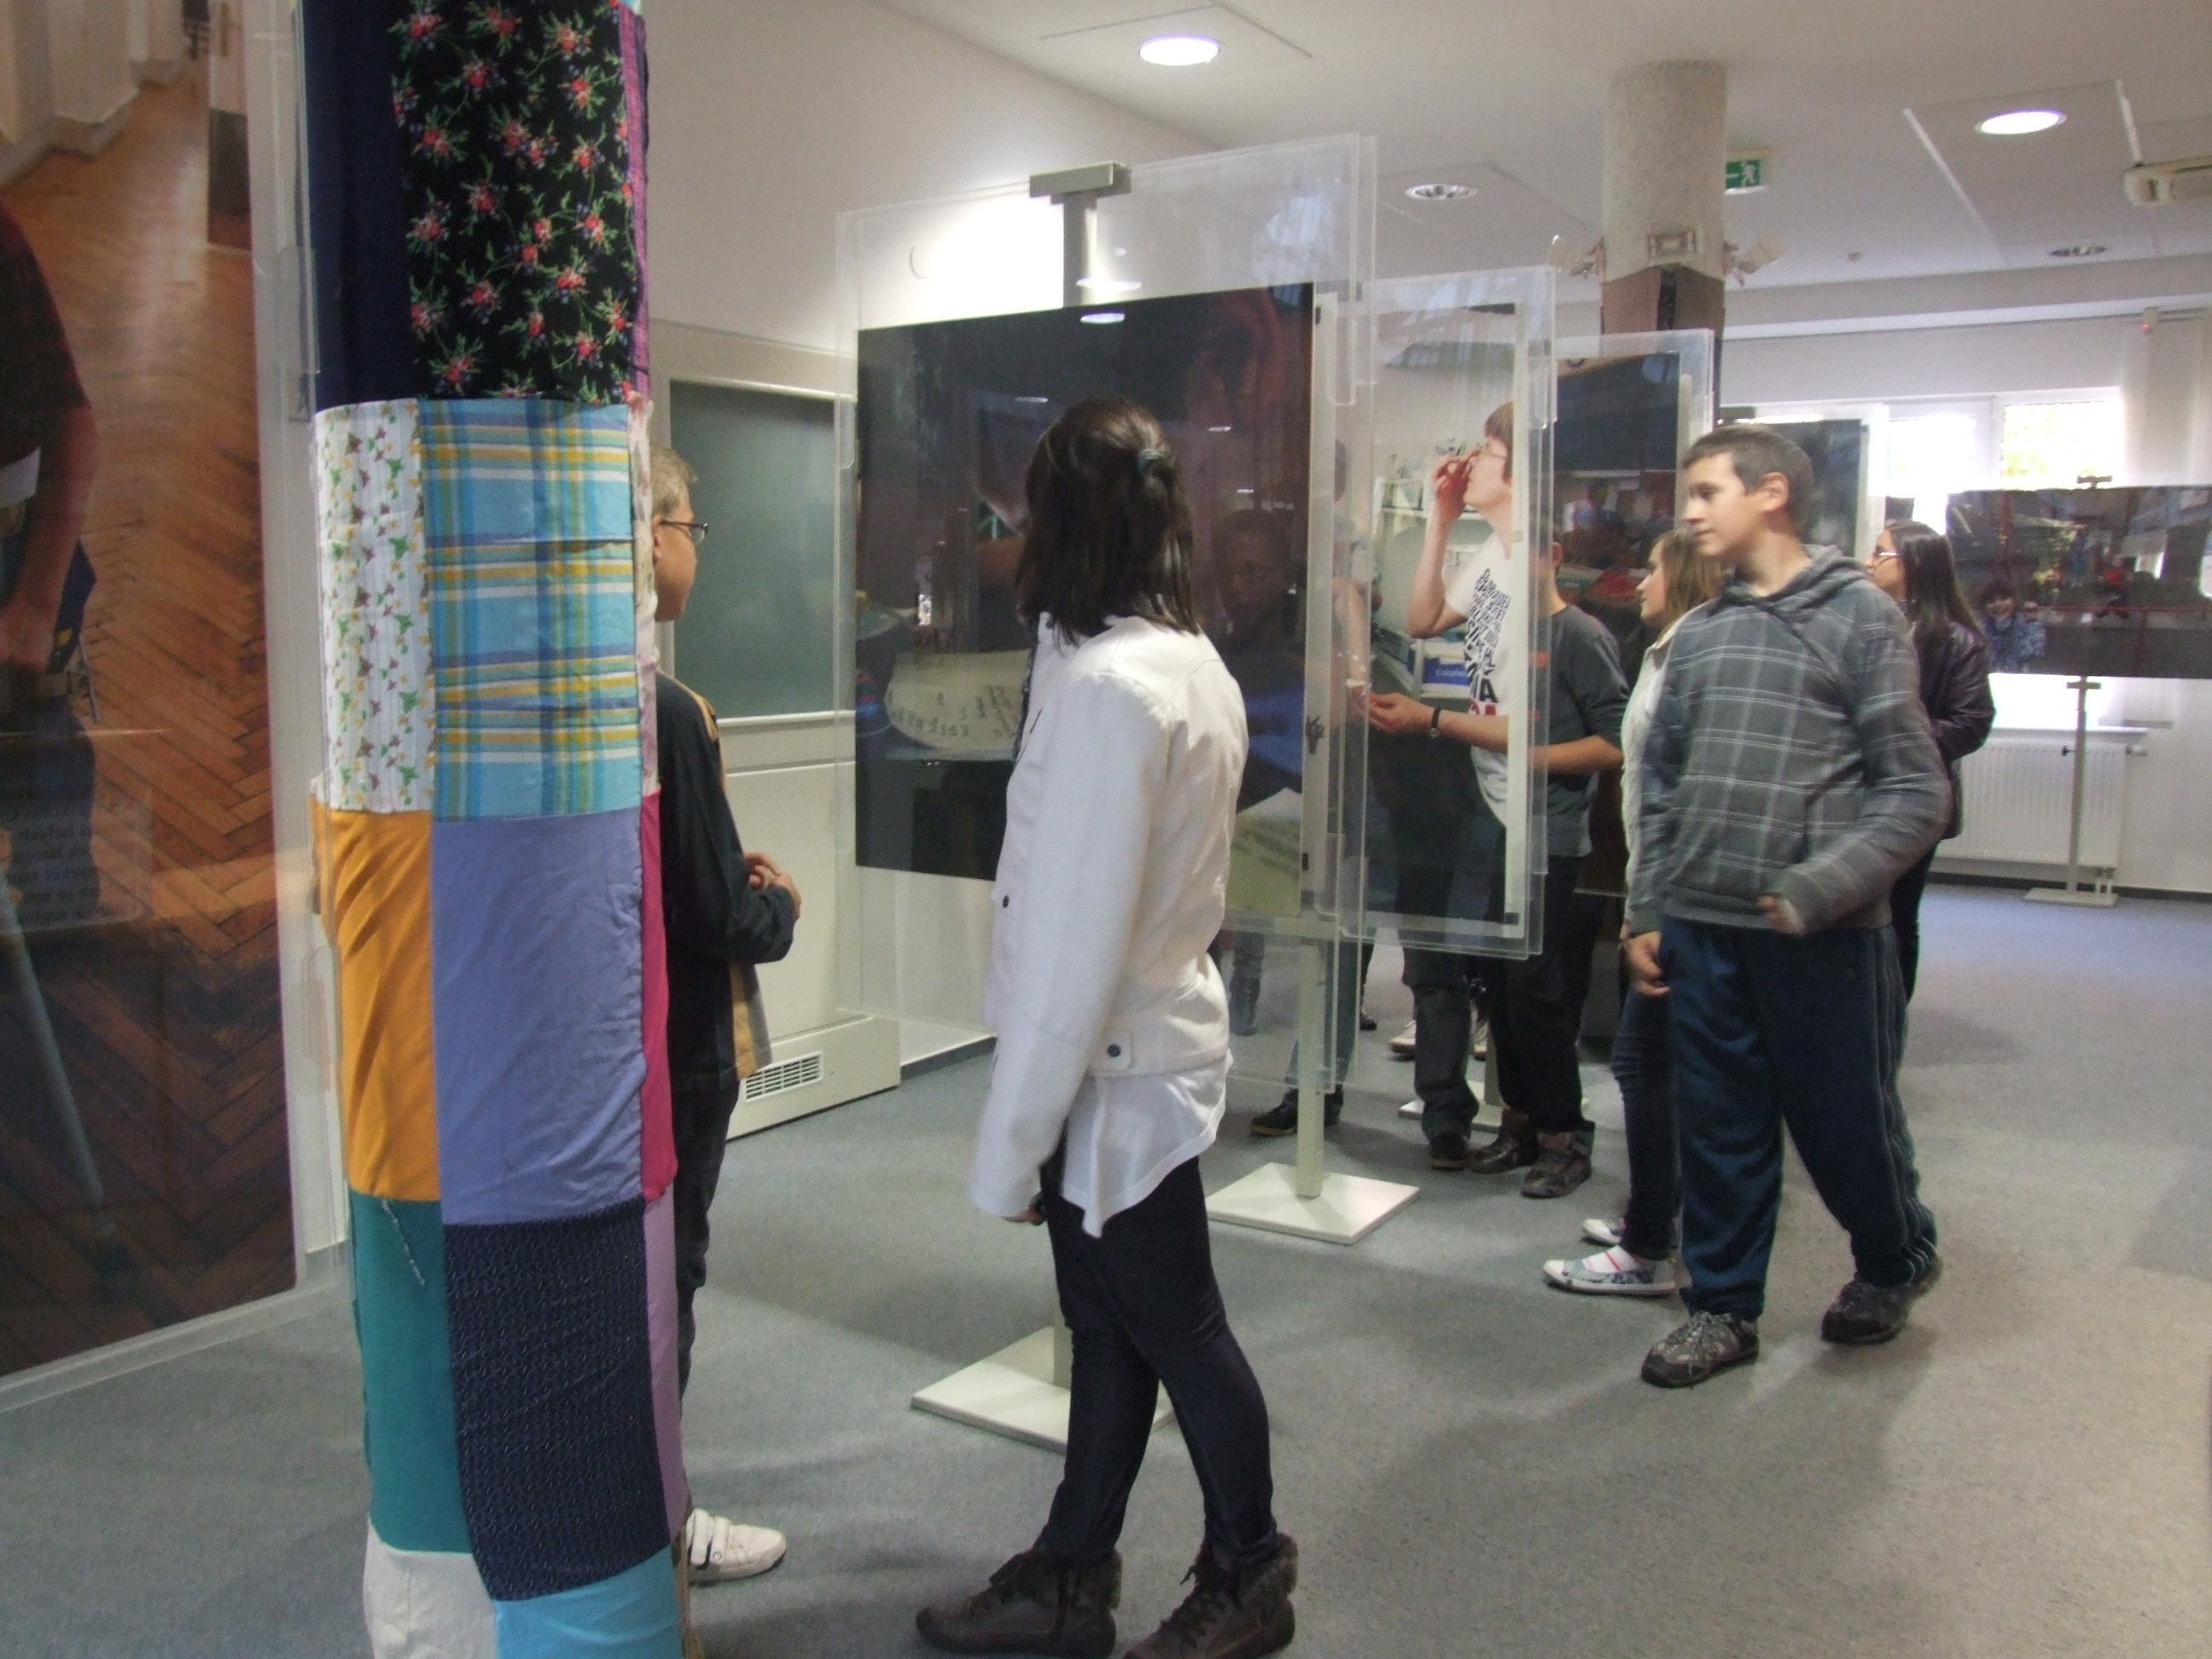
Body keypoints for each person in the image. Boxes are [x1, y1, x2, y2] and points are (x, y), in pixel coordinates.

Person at [917, 399, 1297, 1659]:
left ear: (1064, 524)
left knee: (1178, 1330)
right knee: (1116, 1332)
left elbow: (1071, 953)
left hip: (1113, 1067)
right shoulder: (1179, 663)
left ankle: (1249, 1567)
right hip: (1140, 1053)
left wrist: (1011, 1145)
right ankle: (1075, 1568)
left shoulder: (1108, 690)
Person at [1626, 424, 1947, 1388]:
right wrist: (1649, 909)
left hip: (1825, 939)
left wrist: (1818, 887)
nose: (1689, 513)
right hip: (1705, 931)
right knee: (1718, 1131)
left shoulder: (1861, 618)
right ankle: (1722, 1309)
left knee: (1846, 1129)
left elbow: (1915, 793)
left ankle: (1894, 1258)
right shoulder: (1703, 634)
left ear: (1772, 494)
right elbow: (1662, 786)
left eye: (1706, 492)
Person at [1367, 404, 1627, 1197]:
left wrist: (1439, 722)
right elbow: (1420, 619)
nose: (1471, 461)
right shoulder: (1489, 565)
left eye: (1487, 450)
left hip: (1539, 821)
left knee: (1537, 993)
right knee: (1502, 983)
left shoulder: (1566, 619)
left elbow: (1611, 739)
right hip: (1492, 808)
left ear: (1520, 469)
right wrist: (1442, 521)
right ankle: (1520, 1122)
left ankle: (1562, 1132)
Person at [649, 444, 805, 1584]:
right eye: (690, 527)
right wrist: (780, 909)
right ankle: (665, 1517)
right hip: (684, 1041)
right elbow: (710, 910)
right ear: (650, 535)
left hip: (617, 1041)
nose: (695, 549)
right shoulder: (667, 710)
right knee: (671, 1278)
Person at [1542, 530, 1718, 1295]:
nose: (1641, 583)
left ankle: (1650, 1245)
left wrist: (1653, 909)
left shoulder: (1693, 657)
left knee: (1645, 1065)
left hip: (1681, 895)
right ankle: (1657, 1219)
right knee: (1655, 1065)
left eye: (1654, 570)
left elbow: (1675, 791)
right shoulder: (1664, 652)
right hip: (1663, 887)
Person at [0, 201, 102, 929]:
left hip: (10, 561)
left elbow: (72, 424)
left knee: (40, 758)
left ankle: (57, 914)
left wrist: (35, 605)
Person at [1870, 521, 1995, 998]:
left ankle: (1891, 1019)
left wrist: (1898, 741)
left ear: (1913, 563)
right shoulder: (1867, 624)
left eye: (1880, 553)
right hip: (1858, 790)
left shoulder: (1957, 641)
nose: (1868, 562)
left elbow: (1971, 722)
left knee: (1898, 915)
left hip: (1915, 796)